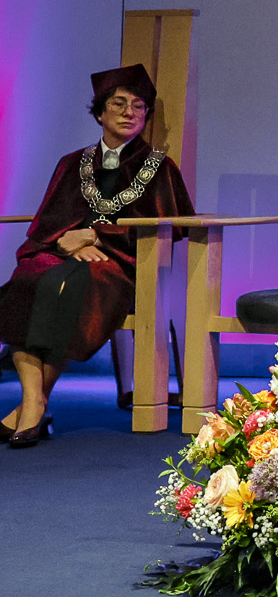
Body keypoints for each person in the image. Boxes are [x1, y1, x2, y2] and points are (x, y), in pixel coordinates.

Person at [0, 65, 194, 447]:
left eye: (138, 107)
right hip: (62, 254)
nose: (128, 112)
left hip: (120, 264)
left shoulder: (160, 168)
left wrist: (98, 236)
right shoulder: (73, 162)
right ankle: (33, 401)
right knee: (28, 280)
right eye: (118, 104)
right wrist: (65, 241)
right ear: (100, 113)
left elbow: (170, 226)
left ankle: (30, 407)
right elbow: (48, 222)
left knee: (75, 287)